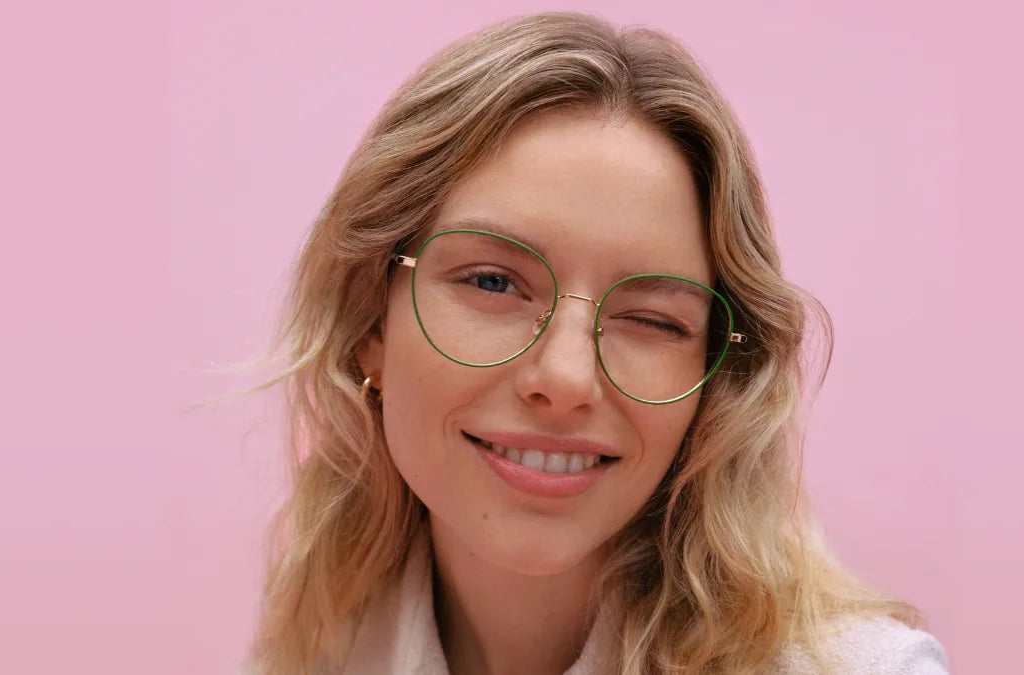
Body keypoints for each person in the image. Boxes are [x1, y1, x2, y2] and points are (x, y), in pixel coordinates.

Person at [243, 11, 948, 675]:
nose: (568, 376)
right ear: (371, 324)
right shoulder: (315, 645)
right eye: (492, 282)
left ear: (714, 383)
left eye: (653, 319)